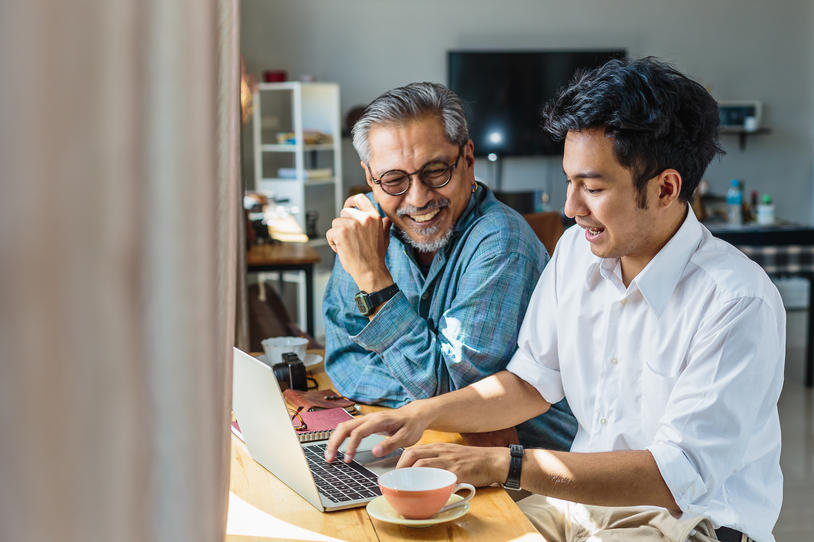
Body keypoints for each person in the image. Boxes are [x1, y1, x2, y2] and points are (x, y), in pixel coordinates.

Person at [325, 59, 784, 542]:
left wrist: (506, 463)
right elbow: (528, 384)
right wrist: (419, 415)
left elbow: (676, 476)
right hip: (580, 507)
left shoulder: (736, 300)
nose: (570, 208)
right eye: (570, 182)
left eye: (593, 187)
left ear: (666, 188)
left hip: (689, 522)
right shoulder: (575, 254)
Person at [323, 82, 576, 451]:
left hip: (524, 468)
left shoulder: (501, 239)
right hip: (430, 441)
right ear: (370, 179)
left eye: (436, 171)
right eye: (394, 180)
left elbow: (449, 390)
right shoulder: (363, 227)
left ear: (468, 159)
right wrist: (426, 407)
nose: (418, 197)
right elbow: (344, 360)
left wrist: (373, 278)